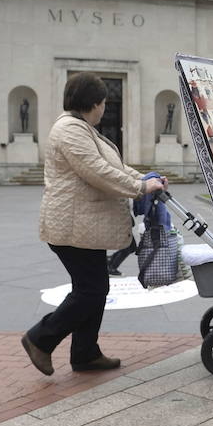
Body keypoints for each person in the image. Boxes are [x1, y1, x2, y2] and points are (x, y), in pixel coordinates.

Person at [21, 72, 167, 376]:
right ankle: (40, 338)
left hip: (82, 228)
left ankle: (86, 354)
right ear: (94, 103)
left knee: (92, 289)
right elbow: (98, 171)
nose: (104, 109)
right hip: (72, 228)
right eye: (103, 103)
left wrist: (144, 178)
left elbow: (114, 166)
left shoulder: (82, 129)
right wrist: (140, 188)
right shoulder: (70, 130)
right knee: (90, 291)